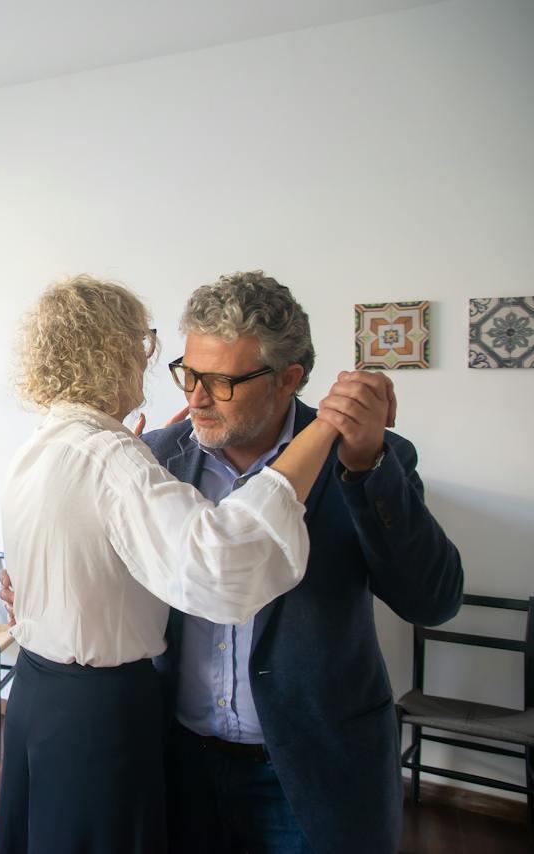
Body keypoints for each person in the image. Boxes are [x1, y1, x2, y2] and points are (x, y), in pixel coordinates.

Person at [0, 274, 347, 854]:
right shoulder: (111, 457)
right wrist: (323, 431)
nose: (152, 364)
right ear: (113, 351)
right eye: (144, 345)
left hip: (39, 694)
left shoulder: (46, 443)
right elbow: (220, 565)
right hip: (98, 710)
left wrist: (137, 457)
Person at [146, 272, 462, 854]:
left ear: (287, 379)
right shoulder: (157, 459)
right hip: (178, 765)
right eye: (188, 372)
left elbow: (433, 600)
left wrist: (368, 468)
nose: (194, 397)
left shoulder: (367, 456)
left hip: (314, 773)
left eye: (221, 381)